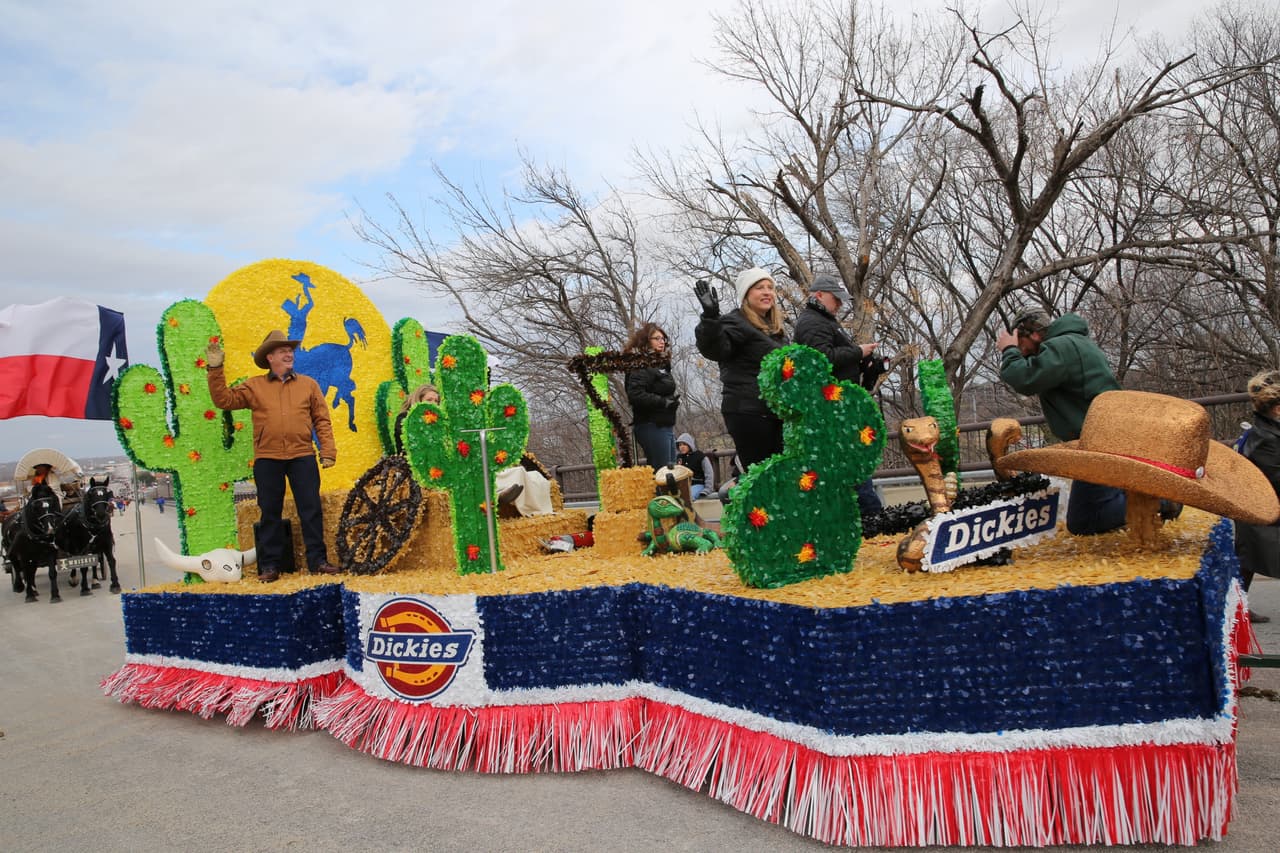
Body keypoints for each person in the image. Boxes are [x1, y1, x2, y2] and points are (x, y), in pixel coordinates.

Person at [205, 330, 340, 582]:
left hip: (302, 455)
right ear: (269, 358)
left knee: (311, 509)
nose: (289, 353)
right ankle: (270, 566)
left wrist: (328, 451)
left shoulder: (308, 384)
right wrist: (215, 369)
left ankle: (317, 561)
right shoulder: (255, 386)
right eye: (282, 350)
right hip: (268, 458)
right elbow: (224, 399)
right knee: (270, 512)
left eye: (290, 350)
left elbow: (322, 420)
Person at [996, 306, 1127, 535]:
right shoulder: (1073, 344)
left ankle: (1159, 503)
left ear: (1033, 334)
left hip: (1097, 443)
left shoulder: (1063, 347)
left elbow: (1024, 378)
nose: (1022, 351)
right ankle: (1146, 504)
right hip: (1101, 438)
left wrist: (1008, 350)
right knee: (1088, 514)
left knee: (1085, 520)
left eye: (1020, 342)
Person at [792, 273, 884, 517]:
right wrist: (857, 352)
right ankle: (871, 514)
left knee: (851, 462)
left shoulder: (820, 321)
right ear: (819, 295)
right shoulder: (813, 323)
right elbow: (822, 360)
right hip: (832, 408)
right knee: (852, 462)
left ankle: (867, 512)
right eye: (837, 299)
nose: (840, 305)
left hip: (837, 404)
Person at [694, 268, 789, 469]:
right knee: (764, 478)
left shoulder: (777, 330)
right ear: (746, 294)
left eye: (770, 288)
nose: (767, 292)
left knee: (783, 477)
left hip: (776, 412)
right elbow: (716, 350)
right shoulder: (735, 321)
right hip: (750, 413)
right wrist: (711, 319)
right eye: (759, 287)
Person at [1235, 369, 1280, 624]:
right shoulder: (1266, 438)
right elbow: (1275, 477)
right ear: (1276, 409)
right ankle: (1236, 606)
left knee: (1246, 559)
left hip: (1259, 503)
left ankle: (1237, 605)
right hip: (1260, 504)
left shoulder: (1267, 431)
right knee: (1246, 558)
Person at [624, 323, 679, 469]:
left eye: (663, 339)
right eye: (657, 338)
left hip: (665, 424)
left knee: (673, 472)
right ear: (646, 341)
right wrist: (663, 402)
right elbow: (635, 394)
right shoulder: (640, 364)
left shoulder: (660, 365)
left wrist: (672, 402)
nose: (662, 342)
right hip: (650, 424)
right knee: (662, 472)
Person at [394, 383, 440, 455]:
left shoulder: (438, 420)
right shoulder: (404, 418)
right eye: (429, 400)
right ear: (419, 400)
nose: (433, 404)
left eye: (436, 401)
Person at [675, 433, 715, 500]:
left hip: (698, 484)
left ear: (690, 444)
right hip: (683, 486)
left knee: (688, 497)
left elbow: (709, 473)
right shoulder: (679, 458)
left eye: (684, 444)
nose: (682, 447)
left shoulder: (700, 456)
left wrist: (708, 489)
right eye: (680, 445)